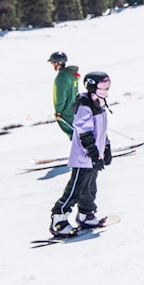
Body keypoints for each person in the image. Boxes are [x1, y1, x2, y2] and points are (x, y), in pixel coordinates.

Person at [49, 70, 113, 236]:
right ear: (92, 86)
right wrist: (93, 153)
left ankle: (86, 214)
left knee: (90, 188)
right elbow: (84, 131)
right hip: (83, 157)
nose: (106, 90)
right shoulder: (85, 104)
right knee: (75, 189)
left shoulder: (98, 102)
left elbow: (101, 129)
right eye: (103, 86)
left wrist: (106, 147)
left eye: (108, 86)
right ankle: (59, 218)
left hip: (93, 157)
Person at [48, 51, 79, 137]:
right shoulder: (71, 75)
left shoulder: (61, 78)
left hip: (66, 111)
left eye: (53, 62)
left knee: (74, 134)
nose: (52, 65)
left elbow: (61, 96)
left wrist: (58, 111)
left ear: (58, 63)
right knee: (79, 132)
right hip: (75, 108)